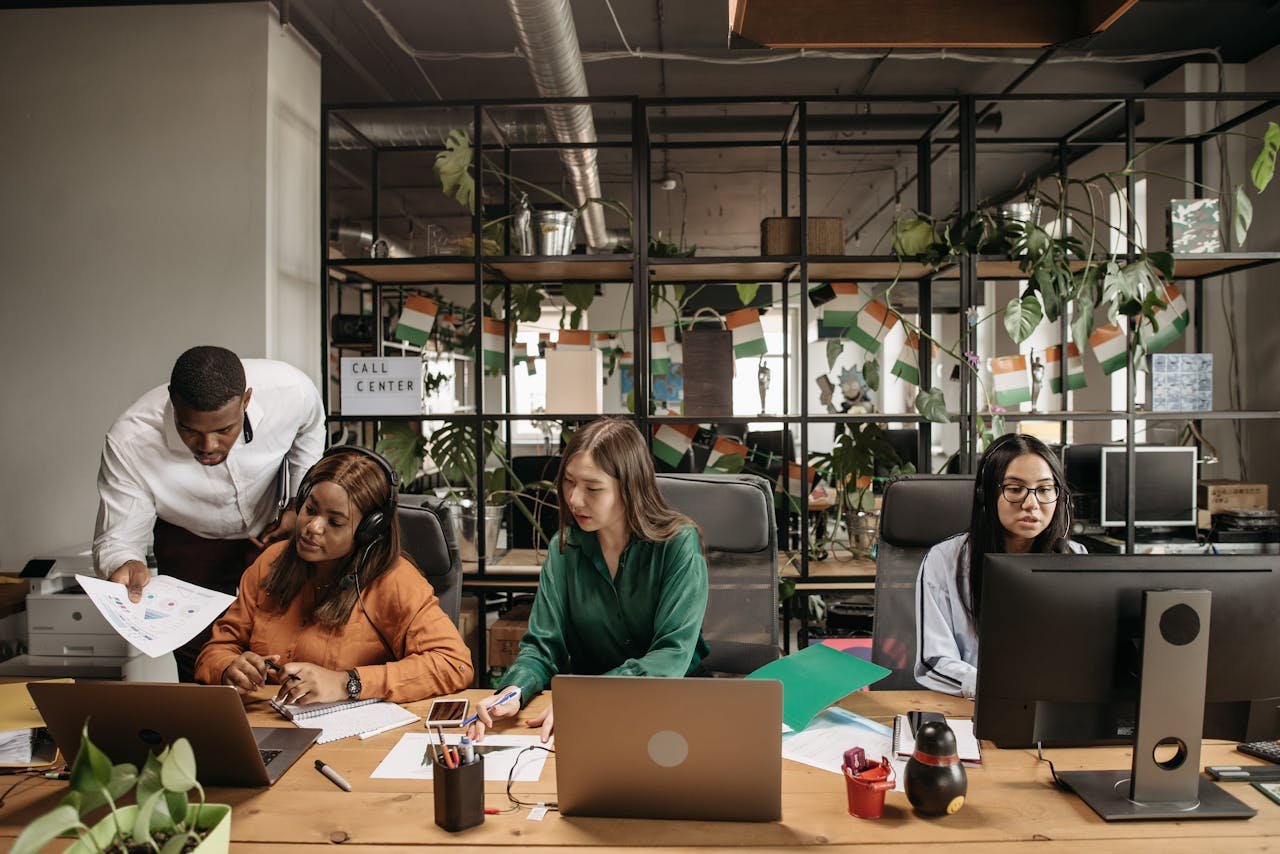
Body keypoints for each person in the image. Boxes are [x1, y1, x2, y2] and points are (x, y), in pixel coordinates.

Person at [468, 417, 710, 742]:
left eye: (593, 488)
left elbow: (671, 654)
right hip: (590, 722)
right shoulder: (565, 547)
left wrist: (587, 696)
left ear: (630, 488)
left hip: (675, 713)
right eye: (569, 482)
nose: (574, 499)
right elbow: (543, 645)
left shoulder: (677, 544)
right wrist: (515, 689)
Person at [93, 345, 325, 681]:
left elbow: (311, 429)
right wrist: (124, 564)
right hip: (189, 543)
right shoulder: (130, 439)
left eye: (224, 430)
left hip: (269, 535)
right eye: (190, 430)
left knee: (280, 649)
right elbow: (118, 538)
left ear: (245, 401)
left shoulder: (290, 391)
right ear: (173, 402)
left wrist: (298, 505)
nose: (208, 446)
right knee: (201, 660)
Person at [195, 446, 472, 703]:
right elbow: (216, 650)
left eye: (335, 522)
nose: (313, 527)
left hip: (354, 739)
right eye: (310, 510)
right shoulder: (271, 561)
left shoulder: (395, 580)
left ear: (369, 530)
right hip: (268, 724)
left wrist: (347, 682)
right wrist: (228, 668)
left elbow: (453, 664)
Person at [915, 432, 1085, 698]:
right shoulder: (945, 561)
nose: (1031, 504)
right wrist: (996, 687)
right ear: (986, 494)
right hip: (972, 707)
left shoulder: (1074, 556)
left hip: (1056, 704)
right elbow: (934, 661)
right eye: (1015, 489)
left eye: (1044, 490)